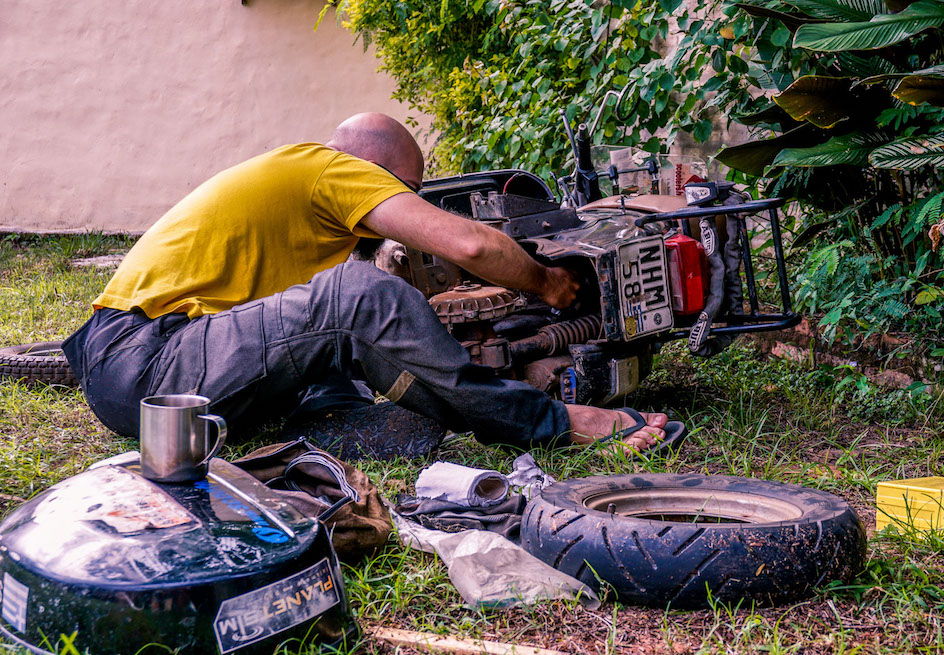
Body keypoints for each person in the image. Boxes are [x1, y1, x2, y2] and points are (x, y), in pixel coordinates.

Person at [63, 113, 672, 453]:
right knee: (356, 294)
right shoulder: (331, 169)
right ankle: (553, 421)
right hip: (145, 366)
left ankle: (346, 426)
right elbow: (472, 244)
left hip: (165, 368)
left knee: (345, 305)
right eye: (403, 192)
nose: (399, 207)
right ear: (373, 173)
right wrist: (546, 283)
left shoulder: (297, 193)